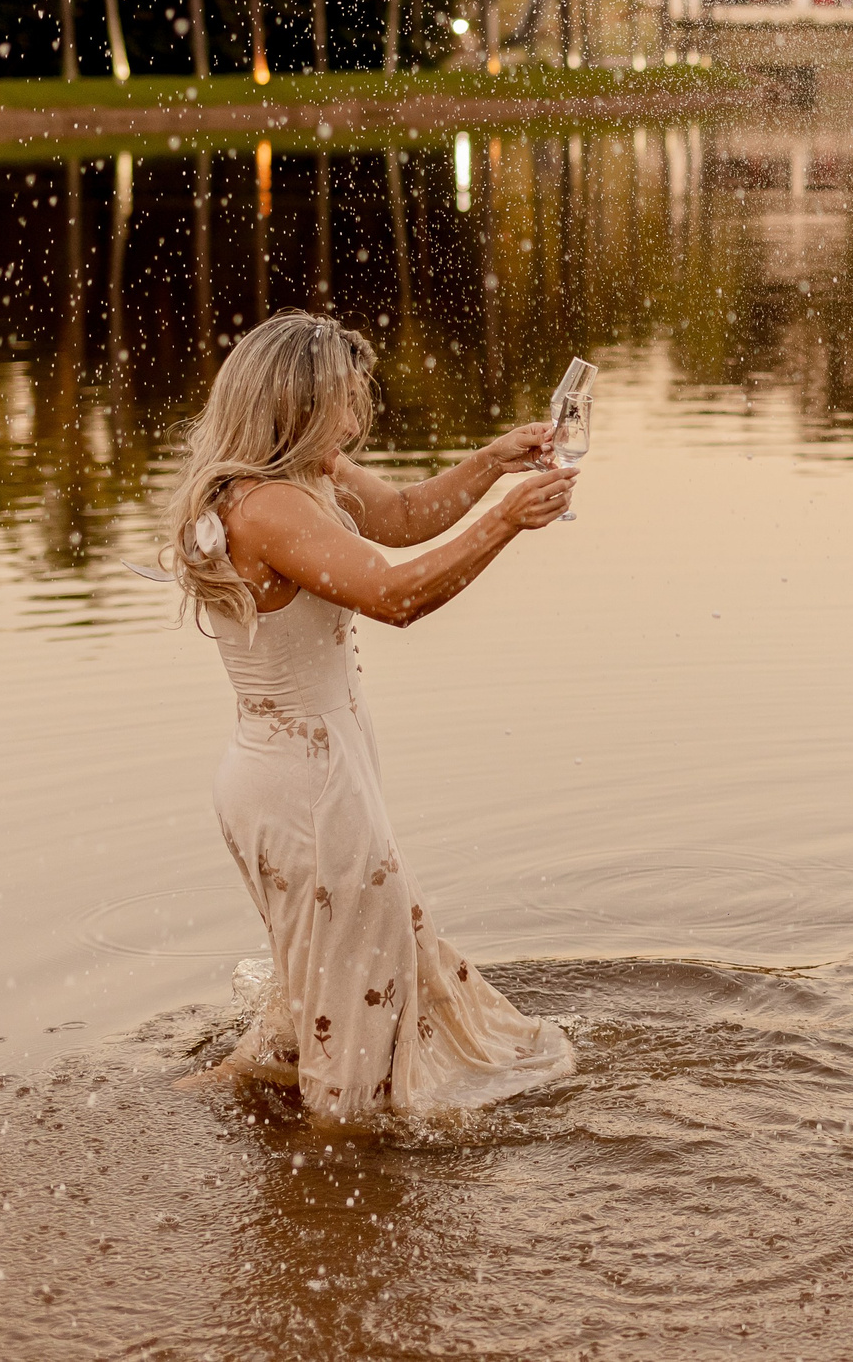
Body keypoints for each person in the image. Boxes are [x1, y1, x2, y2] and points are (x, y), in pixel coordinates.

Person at [162, 309, 582, 1125]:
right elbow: (396, 595)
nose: (354, 425)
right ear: (297, 406)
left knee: (323, 996)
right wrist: (508, 519)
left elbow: (405, 516)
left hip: (289, 775)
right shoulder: (269, 508)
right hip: (310, 791)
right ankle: (333, 1168)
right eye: (343, 405)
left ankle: (203, 1121)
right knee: (355, 1040)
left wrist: (494, 462)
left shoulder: (297, 479)